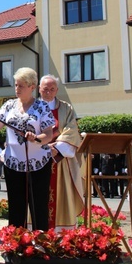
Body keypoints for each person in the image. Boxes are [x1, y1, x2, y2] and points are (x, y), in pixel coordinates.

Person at [0, 67, 55, 230]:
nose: (17, 89)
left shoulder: (42, 106)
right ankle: (16, 246)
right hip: (13, 164)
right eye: (16, 85)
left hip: (38, 165)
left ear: (32, 86)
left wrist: (37, 139)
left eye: (21, 86)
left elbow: (49, 134)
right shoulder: (9, 105)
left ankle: (40, 246)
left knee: (38, 208)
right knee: (16, 210)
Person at [39, 74, 84, 229]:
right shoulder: (32, 107)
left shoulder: (66, 108)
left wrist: (56, 148)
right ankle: (36, 232)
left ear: (57, 90)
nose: (48, 92)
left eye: (52, 89)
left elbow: (71, 131)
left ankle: (62, 232)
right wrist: (45, 149)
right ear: (39, 89)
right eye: (45, 89)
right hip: (36, 160)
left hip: (60, 162)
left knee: (61, 195)